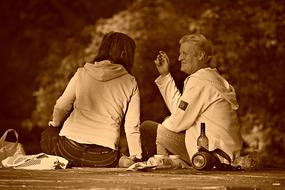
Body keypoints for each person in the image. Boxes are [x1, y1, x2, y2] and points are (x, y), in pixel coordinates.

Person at [41, 32, 142, 167]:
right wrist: (137, 156)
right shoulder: (130, 82)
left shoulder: (82, 73)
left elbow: (61, 107)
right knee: (116, 155)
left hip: (68, 151)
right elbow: (132, 126)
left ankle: (59, 160)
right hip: (103, 157)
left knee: (48, 134)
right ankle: (121, 160)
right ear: (126, 55)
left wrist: (55, 124)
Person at [140, 33, 242, 164]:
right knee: (165, 127)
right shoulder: (212, 78)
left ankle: (155, 170)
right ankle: (167, 164)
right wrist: (165, 75)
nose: (179, 58)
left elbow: (177, 121)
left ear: (200, 55)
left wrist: (165, 126)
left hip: (210, 156)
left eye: (185, 53)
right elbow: (180, 111)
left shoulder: (199, 81)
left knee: (147, 128)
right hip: (221, 154)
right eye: (180, 53)